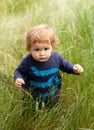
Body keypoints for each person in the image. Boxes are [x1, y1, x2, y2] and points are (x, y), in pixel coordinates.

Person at [14, 24, 84, 110]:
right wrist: (18, 78)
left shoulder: (56, 58)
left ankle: (55, 116)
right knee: (30, 108)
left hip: (52, 92)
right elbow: (19, 71)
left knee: (54, 107)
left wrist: (74, 68)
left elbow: (65, 65)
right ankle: (31, 119)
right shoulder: (28, 61)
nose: (42, 53)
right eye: (37, 50)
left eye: (46, 49)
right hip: (33, 94)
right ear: (29, 49)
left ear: (52, 46)